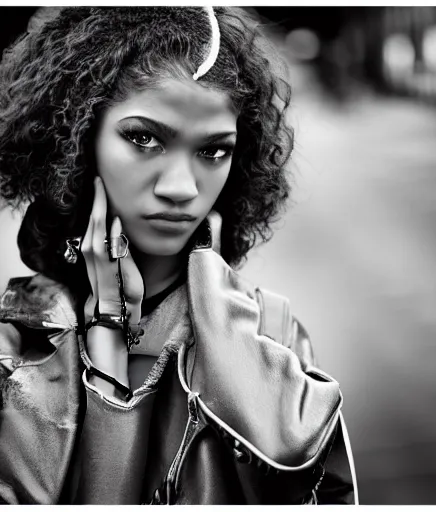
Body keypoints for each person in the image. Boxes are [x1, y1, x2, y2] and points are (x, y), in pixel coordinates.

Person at [0, 6, 357, 505]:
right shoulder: (16, 347)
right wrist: (106, 345)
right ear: (77, 141)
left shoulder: (272, 336)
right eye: (144, 138)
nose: (182, 188)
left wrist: (223, 324)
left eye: (213, 151)